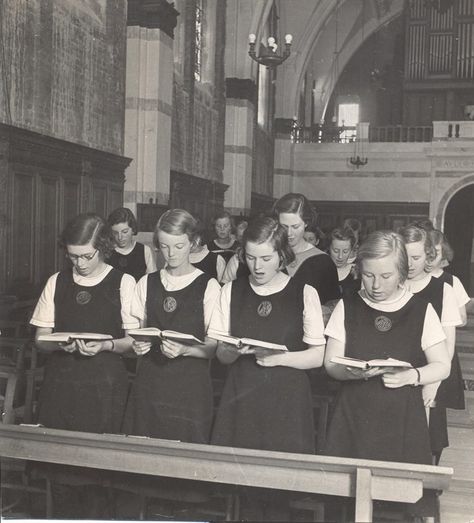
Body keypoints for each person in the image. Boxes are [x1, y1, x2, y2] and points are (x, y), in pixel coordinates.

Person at [324, 230, 450, 520]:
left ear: (402, 273)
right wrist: (351, 373)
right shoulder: (348, 305)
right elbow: (330, 364)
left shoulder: (421, 309)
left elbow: (441, 365)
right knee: (347, 505)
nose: (376, 285)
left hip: (402, 421)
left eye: (386, 276)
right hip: (353, 417)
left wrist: (411, 376)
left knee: (398, 506)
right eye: (368, 276)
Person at [210, 216, 326, 520]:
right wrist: (230, 350)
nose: (257, 266)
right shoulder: (231, 291)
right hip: (242, 394)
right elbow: (221, 356)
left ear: (282, 255)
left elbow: (317, 356)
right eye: (250, 258)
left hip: (286, 398)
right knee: (241, 487)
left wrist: (279, 358)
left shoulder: (304, 292)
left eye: (266, 258)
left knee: (279, 490)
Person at [30, 213, 137, 518]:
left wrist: (106, 345)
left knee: (98, 477)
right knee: (60, 472)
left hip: (104, 388)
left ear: (103, 247)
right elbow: (40, 339)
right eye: (73, 256)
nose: (79, 263)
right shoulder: (57, 281)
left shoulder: (123, 282)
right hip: (61, 386)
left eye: (86, 255)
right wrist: (56, 343)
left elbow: (133, 343)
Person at [124, 209, 220, 443]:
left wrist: (185, 350)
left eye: (178, 246)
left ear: (193, 243)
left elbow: (214, 347)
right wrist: (136, 345)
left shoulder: (209, 286)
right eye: (165, 246)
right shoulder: (147, 282)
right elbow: (133, 335)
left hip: (190, 387)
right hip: (150, 383)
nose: (171, 253)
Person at [400, 224, 462, 463]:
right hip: (401, 369)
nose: (411, 264)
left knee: (429, 438)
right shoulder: (393, 285)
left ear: (428, 255)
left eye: (416, 257)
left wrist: (433, 382)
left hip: (433, 373)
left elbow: (448, 345)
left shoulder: (442, 289)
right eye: (405, 257)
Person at [272, 193, 340, 307]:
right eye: (284, 226)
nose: (289, 234)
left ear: (306, 223)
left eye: (295, 227)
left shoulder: (323, 262)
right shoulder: (268, 255)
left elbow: (332, 305)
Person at [428, 229, 470, 326]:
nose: (431, 258)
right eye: (428, 253)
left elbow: (463, 320)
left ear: (443, 253)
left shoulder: (452, 281)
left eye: (436, 252)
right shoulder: (412, 279)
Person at [107, 207, 157, 281]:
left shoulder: (145, 251)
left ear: (133, 229)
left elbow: (152, 281)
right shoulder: (107, 251)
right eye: (115, 233)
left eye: (124, 232)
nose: (120, 237)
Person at [328, 226, 361, 297]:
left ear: (351, 250)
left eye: (345, 251)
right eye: (336, 251)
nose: (340, 256)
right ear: (329, 248)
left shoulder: (357, 272)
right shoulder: (319, 271)